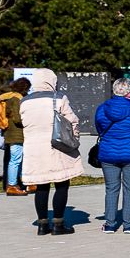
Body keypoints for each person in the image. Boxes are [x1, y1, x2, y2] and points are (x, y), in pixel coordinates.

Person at [19, 69, 83, 235]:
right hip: (56, 147)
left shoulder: (24, 102)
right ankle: (58, 224)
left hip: (34, 149)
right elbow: (72, 121)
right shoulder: (59, 98)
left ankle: (42, 225)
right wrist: (74, 139)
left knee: (41, 185)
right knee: (61, 183)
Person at [94, 77, 130, 233]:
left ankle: (109, 224)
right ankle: (129, 224)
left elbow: (99, 128)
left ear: (114, 91)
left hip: (108, 154)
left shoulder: (102, 109)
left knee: (111, 189)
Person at [0, 78, 31, 196]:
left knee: (18, 159)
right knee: (15, 160)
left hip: (12, 133)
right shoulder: (16, 99)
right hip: (16, 133)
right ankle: (12, 186)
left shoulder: (11, 97)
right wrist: (29, 121)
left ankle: (18, 183)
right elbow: (17, 118)